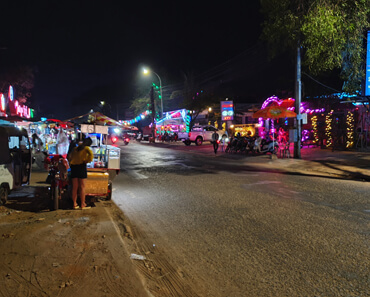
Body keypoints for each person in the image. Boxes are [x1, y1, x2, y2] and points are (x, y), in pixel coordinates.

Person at [67, 137, 94, 210]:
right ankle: (82, 204)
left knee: (74, 187)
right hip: (81, 167)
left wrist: (71, 164)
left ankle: (74, 204)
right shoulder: (86, 149)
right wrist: (86, 161)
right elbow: (91, 156)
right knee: (82, 187)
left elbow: (70, 157)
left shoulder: (75, 148)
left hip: (74, 168)